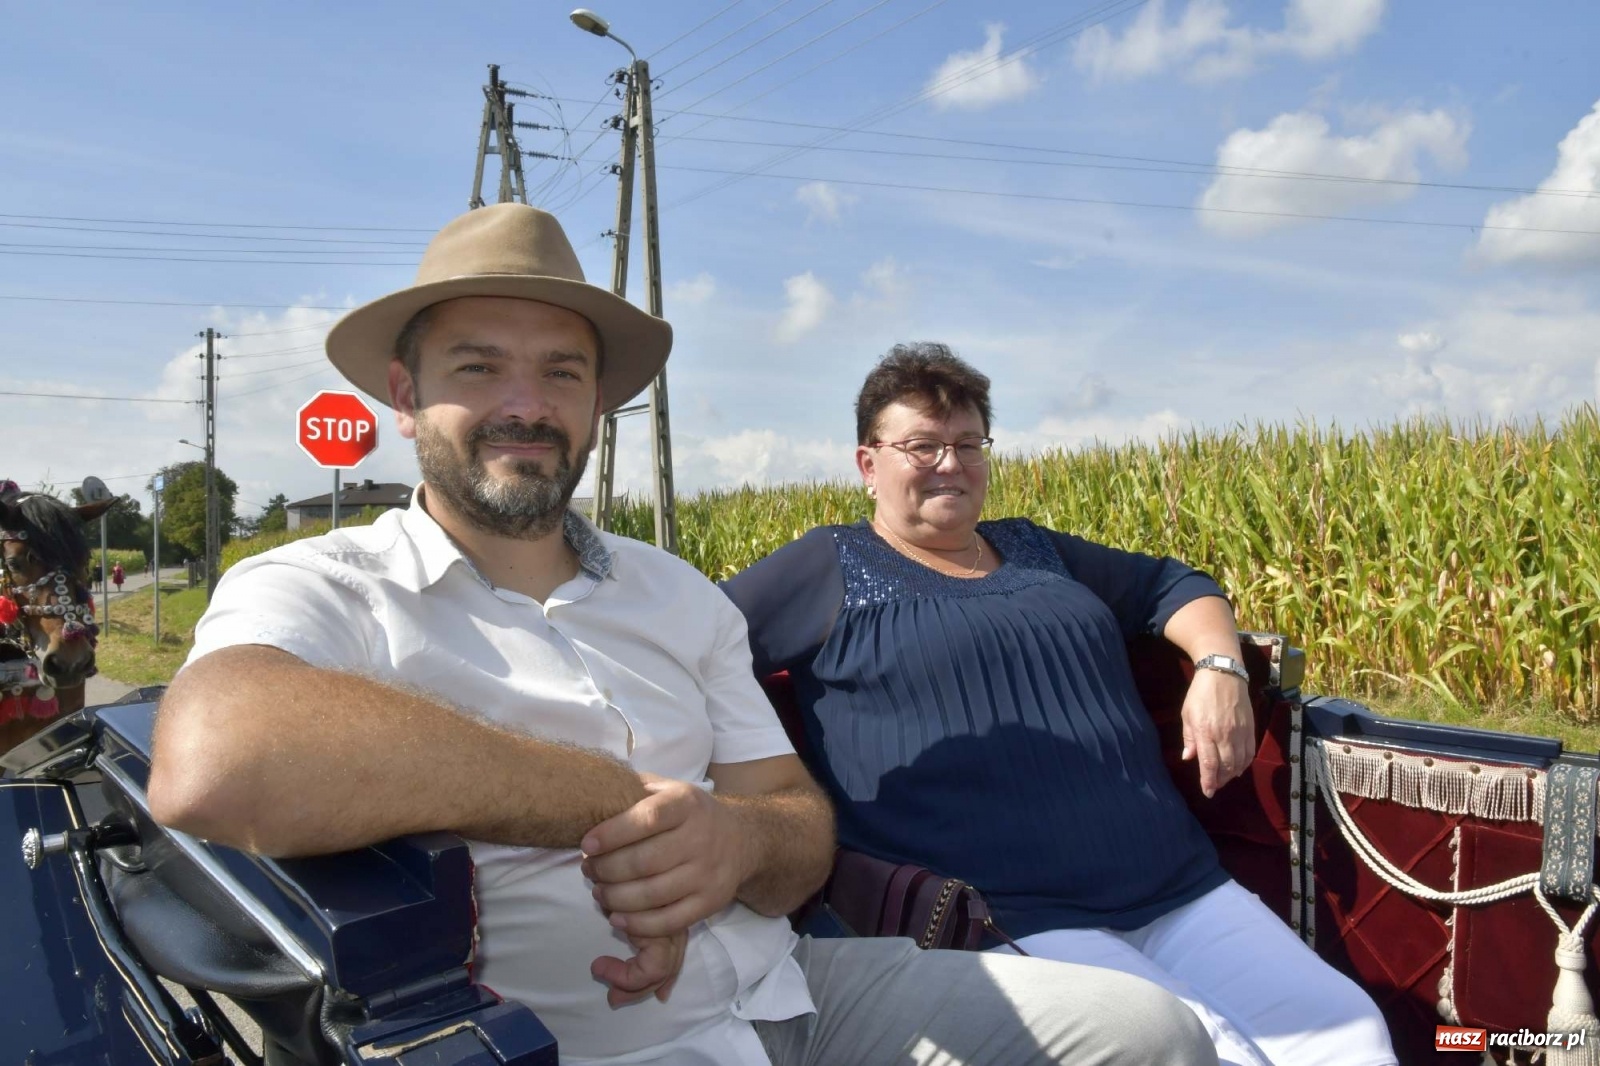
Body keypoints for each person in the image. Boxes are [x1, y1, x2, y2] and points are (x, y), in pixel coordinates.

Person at [147, 206, 1216, 1066]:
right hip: (574, 1040)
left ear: (596, 402)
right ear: (403, 394)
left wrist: (735, 842)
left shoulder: (679, 593)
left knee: (1148, 1032)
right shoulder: (324, 584)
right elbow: (215, 758)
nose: (526, 404)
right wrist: (613, 805)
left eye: (562, 372)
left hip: (794, 998)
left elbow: (795, 825)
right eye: (477, 367)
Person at [722, 343, 1398, 1066]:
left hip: (1175, 884)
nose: (950, 464)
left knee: (1349, 1032)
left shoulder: (1035, 551)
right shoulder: (830, 565)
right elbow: (695, 645)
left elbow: (1174, 585)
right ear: (868, 464)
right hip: (1003, 913)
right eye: (922, 445)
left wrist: (1220, 666)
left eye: (968, 444)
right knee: (1204, 1049)